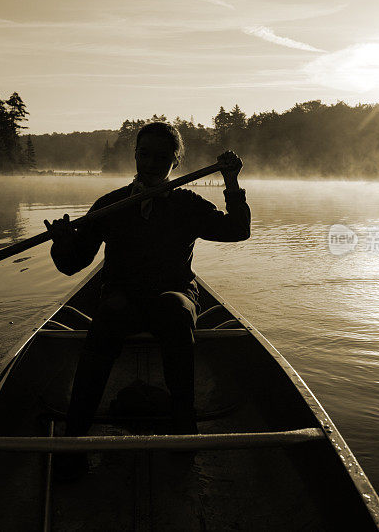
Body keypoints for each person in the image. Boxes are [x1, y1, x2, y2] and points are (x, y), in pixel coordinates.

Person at [44, 121, 250, 476]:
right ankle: (73, 441)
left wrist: (231, 181)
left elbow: (238, 230)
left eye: (162, 156)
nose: (152, 163)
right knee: (109, 310)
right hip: (122, 300)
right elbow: (71, 265)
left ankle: (184, 430)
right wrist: (61, 241)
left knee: (173, 308)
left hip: (175, 295)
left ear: (176, 161)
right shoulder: (110, 205)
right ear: (135, 155)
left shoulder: (188, 205)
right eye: (145, 154)